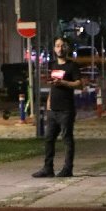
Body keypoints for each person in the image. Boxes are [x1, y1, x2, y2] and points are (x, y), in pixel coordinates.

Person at [32, 38, 82, 178]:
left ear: (67, 48)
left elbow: (79, 84)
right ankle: (48, 168)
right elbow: (52, 86)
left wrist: (64, 82)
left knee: (67, 138)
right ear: (54, 49)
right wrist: (48, 102)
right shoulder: (53, 65)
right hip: (53, 109)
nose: (60, 49)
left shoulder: (72, 66)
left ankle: (67, 168)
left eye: (62, 46)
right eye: (57, 46)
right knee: (49, 139)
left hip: (66, 108)